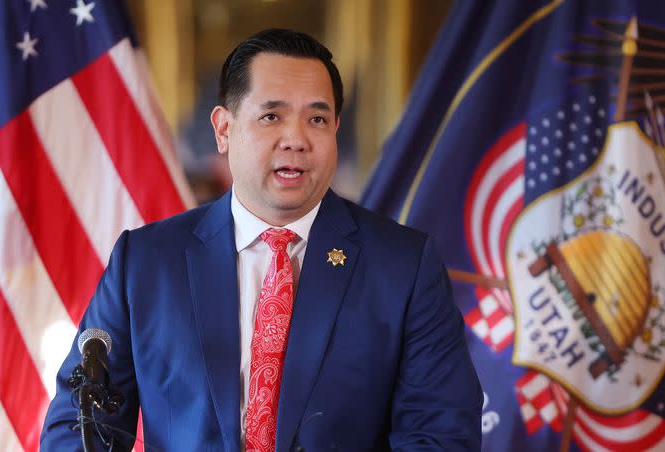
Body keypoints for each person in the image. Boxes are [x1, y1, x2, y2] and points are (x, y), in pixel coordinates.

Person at [41, 28, 483, 451]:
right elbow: (76, 425)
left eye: (317, 118)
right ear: (224, 129)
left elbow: (442, 433)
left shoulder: (403, 266)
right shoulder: (145, 263)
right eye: (272, 116)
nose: (296, 139)